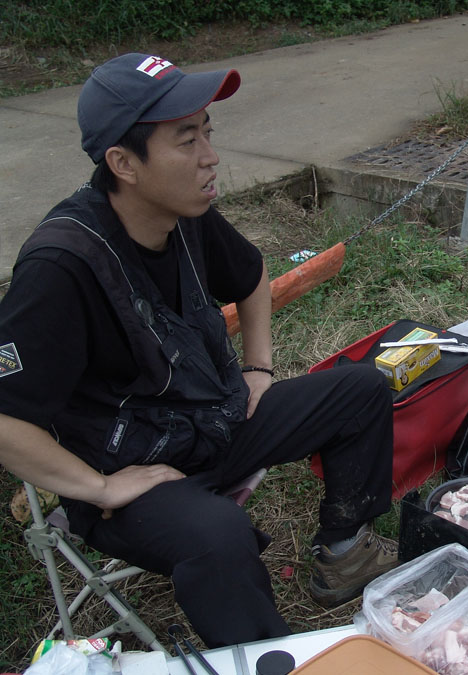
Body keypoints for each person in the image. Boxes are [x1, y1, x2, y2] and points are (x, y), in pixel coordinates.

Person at [0, 53, 398, 647]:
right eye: (187, 141)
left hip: (212, 424)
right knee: (219, 536)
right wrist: (101, 488)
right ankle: (266, 657)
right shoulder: (60, 267)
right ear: (123, 163)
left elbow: (252, 273)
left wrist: (258, 367)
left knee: (361, 388)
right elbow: (7, 419)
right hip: (129, 475)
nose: (210, 156)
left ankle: (344, 553)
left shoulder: (184, 212)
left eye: (208, 133)